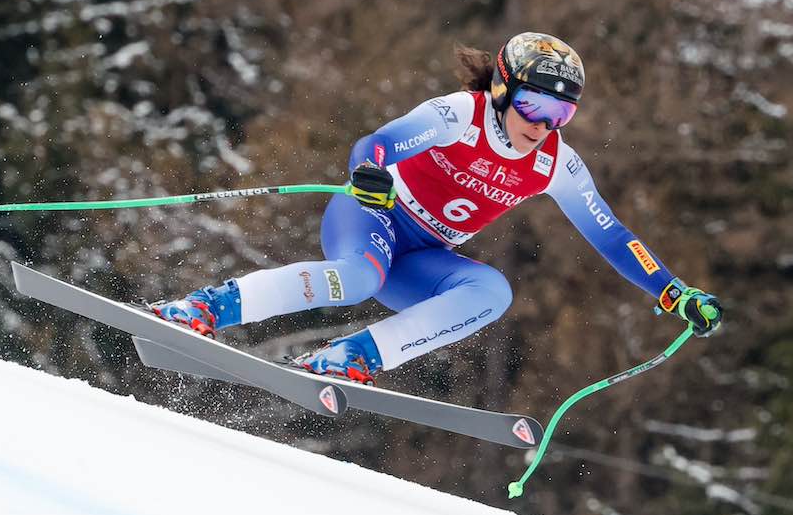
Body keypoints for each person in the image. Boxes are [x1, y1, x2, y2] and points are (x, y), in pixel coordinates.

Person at [151, 32, 723, 384]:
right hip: (372, 219)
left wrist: (672, 291)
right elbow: (373, 145)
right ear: (502, 90)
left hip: (420, 258)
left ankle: (354, 356)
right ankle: (205, 309)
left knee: (492, 293)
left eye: (561, 115)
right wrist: (370, 176)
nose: (543, 126)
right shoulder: (459, 114)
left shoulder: (557, 165)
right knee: (355, 278)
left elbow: (613, 236)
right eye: (532, 106)